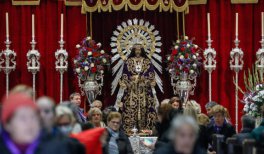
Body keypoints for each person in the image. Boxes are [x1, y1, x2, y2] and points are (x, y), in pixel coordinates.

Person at [0, 93, 85, 154]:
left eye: (33, 117)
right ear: (7, 124)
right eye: (23, 118)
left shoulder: (59, 148)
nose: (30, 123)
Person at [117, 44, 158, 133]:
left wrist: (144, 78)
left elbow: (151, 74)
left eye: (139, 50)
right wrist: (131, 79)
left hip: (144, 90)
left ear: (142, 50)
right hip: (132, 90)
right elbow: (125, 75)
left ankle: (144, 129)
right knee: (131, 107)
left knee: (145, 107)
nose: (138, 52)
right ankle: (131, 129)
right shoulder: (128, 61)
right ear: (133, 51)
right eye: (136, 50)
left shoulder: (147, 61)